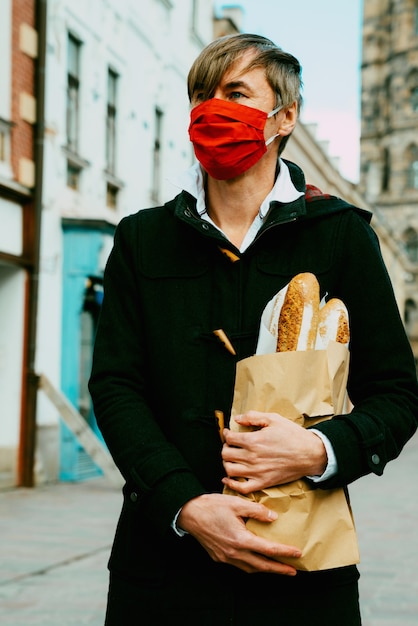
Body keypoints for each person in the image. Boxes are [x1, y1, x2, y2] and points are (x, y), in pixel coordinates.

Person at [88, 33, 418, 625]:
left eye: (235, 93)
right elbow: (116, 387)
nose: (211, 109)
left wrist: (321, 450)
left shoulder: (341, 234)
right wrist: (183, 503)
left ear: (284, 116)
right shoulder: (142, 238)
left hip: (300, 569)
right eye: (201, 96)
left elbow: (397, 391)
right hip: (162, 570)